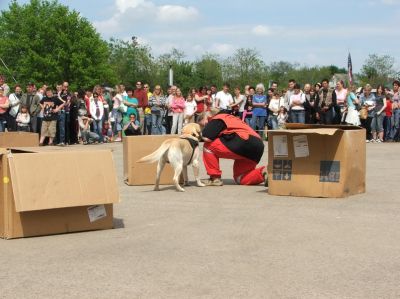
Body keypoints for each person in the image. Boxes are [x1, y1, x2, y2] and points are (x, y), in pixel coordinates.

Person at [200, 109, 265, 186]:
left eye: (204, 124)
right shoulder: (231, 118)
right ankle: (266, 172)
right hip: (258, 146)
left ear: (207, 115)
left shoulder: (218, 117)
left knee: (208, 146)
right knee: (240, 178)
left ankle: (215, 178)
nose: (205, 126)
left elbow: (207, 137)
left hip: (244, 141)